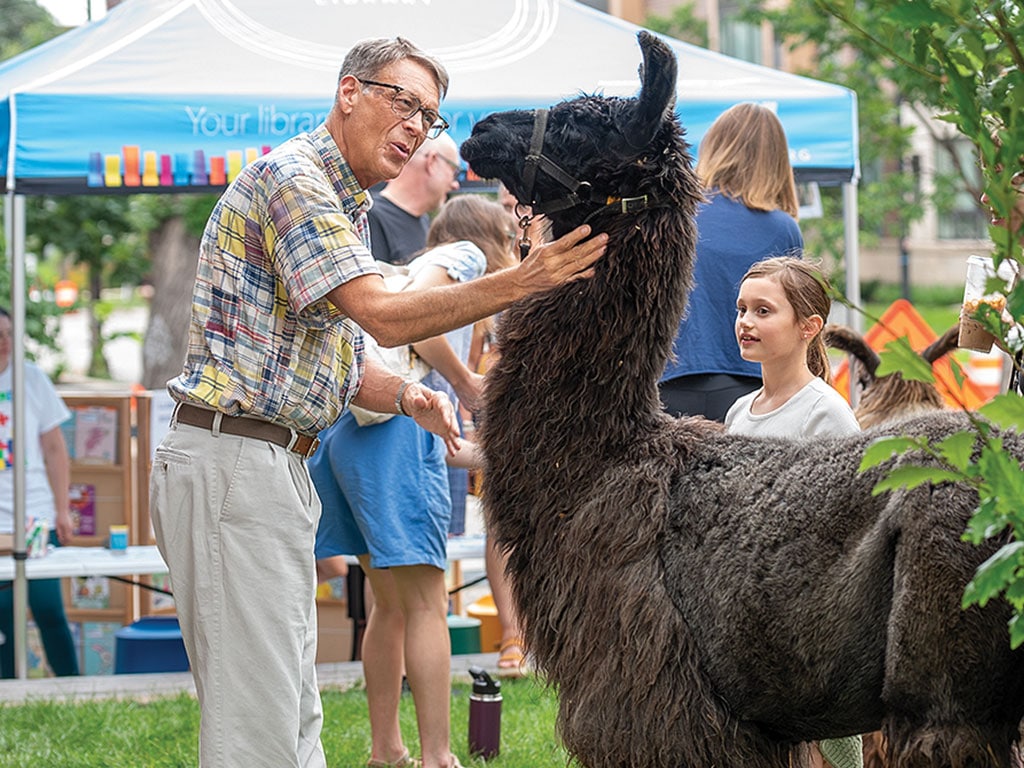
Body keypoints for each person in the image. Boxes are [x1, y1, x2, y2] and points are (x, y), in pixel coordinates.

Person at [149, 36, 607, 768]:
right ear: (349, 92)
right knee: (257, 728)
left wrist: (405, 394)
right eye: (404, 103)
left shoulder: (339, 199)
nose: (417, 126)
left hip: (266, 460)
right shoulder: (296, 180)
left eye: (429, 117)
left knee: (290, 710)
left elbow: (317, 352)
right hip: (236, 459)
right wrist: (522, 281)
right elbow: (381, 316)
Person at [311, 194, 515, 768]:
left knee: (389, 604)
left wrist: (491, 456)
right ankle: (438, 757)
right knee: (427, 603)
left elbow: (436, 449)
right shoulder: (467, 254)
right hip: (393, 424)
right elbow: (418, 320)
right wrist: (468, 382)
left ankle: (386, 750)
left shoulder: (400, 266)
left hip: (348, 433)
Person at [724, 257, 862, 768]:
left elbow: (852, 523)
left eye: (764, 310)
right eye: (742, 309)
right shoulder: (740, 411)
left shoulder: (826, 413)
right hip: (744, 617)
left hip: (803, 628)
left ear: (809, 328)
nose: (746, 322)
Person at [660, 102, 804, 421]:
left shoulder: (674, 214)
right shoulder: (783, 230)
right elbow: (799, 324)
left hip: (669, 381)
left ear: (712, 147)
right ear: (777, 160)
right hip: (754, 391)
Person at [0, 307, 78, 680]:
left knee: (48, 608)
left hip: (35, 512)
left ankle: (71, 686)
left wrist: (62, 510)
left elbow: (55, 449)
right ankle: (10, 695)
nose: (3, 343)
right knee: (3, 616)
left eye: (9, 334)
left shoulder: (31, 378)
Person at [367, 133, 461, 265]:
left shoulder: (424, 221)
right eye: (454, 172)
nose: (455, 184)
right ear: (432, 161)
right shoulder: (369, 217)